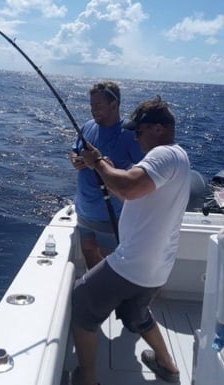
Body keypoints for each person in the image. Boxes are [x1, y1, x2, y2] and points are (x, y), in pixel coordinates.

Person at [71, 96, 191, 385]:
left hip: (133, 263)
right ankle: (167, 364)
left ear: (159, 129)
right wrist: (109, 170)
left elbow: (129, 186)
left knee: (81, 301)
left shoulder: (163, 154)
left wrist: (98, 163)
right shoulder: (180, 156)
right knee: (135, 313)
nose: (135, 138)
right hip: (156, 267)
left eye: (139, 131)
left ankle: (87, 379)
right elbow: (129, 189)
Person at [71, 81, 143, 269]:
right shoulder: (88, 126)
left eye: (98, 105)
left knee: (113, 265)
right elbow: (74, 149)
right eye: (91, 105)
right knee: (88, 251)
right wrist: (75, 159)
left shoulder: (129, 133)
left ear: (114, 105)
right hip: (84, 211)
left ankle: (113, 298)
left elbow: (142, 171)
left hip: (111, 215)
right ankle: (98, 294)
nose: (93, 110)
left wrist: (108, 167)